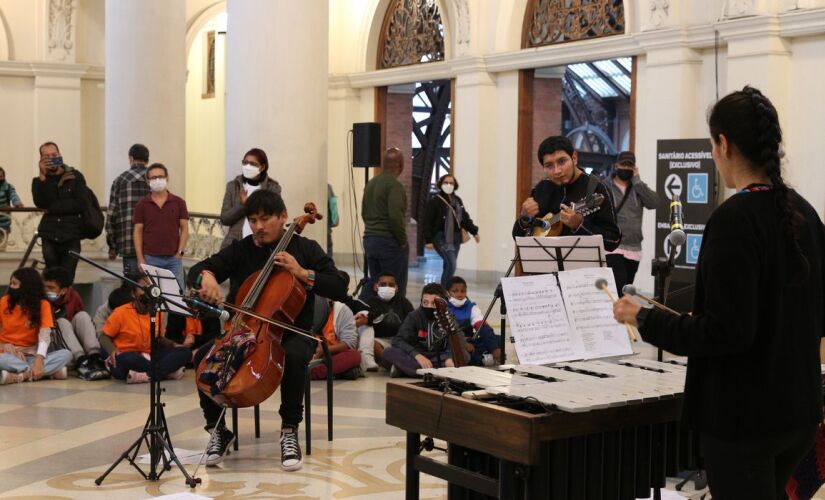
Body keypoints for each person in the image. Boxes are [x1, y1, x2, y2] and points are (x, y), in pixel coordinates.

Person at [612, 86, 825, 500]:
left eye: (712, 145)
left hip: (744, 421)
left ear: (723, 144)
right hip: (797, 412)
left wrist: (644, 317)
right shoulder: (808, 214)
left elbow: (723, 334)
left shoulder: (734, 220)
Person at [188, 189, 349, 471]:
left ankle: (289, 430)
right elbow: (201, 268)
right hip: (246, 330)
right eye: (253, 220)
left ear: (283, 217)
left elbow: (338, 284)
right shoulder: (242, 249)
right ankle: (218, 431)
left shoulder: (305, 249)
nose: (259, 227)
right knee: (203, 357)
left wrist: (302, 273)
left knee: (295, 355)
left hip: (294, 329)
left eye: (265, 219)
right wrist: (208, 277)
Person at [514, 135, 620, 253]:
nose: (557, 171)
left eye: (562, 161)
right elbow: (518, 238)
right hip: (543, 268)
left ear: (574, 158)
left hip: (581, 268)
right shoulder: (541, 188)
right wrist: (523, 218)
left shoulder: (597, 188)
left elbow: (613, 241)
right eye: (549, 166)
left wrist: (580, 225)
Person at [102, 274, 190, 384]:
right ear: (133, 294)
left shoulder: (157, 312)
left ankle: (147, 375)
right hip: (127, 356)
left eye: (150, 286)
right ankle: (166, 372)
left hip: (149, 356)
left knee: (185, 352)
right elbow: (103, 336)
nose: (148, 290)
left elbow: (158, 338)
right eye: (143, 287)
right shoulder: (120, 312)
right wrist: (112, 350)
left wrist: (173, 345)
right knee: (129, 358)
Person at [0, 268, 72, 384]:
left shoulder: (43, 304)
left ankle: (21, 375)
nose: (11, 287)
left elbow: (45, 334)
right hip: (8, 355)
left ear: (26, 287)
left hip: (31, 355)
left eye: (14, 284)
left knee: (66, 355)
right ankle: (45, 373)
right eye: (11, 283)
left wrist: (39, 359)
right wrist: (4, 346)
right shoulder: (4, 301)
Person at [31, 141, 89, 284]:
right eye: (47, 156)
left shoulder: (75, 176)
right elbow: (41, 203)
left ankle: (66, 305)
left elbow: (81, 204)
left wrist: (53, 208)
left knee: (67, 278)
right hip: (49, 234)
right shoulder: (38, 181)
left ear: (60, 155)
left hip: (71, 234)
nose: (51, 158)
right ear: (41, 160)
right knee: (51, 279)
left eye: (54, 155)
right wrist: (43, 177)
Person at [382, 283, 468, 378]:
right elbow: (398, 340)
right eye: (425, 302)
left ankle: (406, 370)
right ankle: (437, 372)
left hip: (440, 356)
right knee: (388, 352)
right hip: (417, 356)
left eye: (434, 303)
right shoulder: (414, 316)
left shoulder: (447, 317)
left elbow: (459, 340)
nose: (429, 307)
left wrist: (449, 357)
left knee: (465, 355)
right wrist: (417, 355)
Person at [604, 151, 659, 295]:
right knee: (617, 288)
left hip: (634, 248)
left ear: (634, 168)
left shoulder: (638, 188)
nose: (626, 168)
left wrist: (638, 181)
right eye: (623, 164)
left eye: (630, 165)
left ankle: (620, 316)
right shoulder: (604, 186)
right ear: (616, 165)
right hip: (612, 247)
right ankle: (614, 316)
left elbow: (654, 202)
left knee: (625, 290)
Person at [42, 267, 108, 380]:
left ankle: (95, 357)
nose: (46, 290)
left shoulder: (73, 296)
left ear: (63, 290)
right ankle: (81, 362)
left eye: (51, 288)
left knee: (82, 315)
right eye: (45, 287)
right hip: (55, 345)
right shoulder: (40, 300)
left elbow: (79, 324)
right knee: (62, 322)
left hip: (72, 342)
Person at [361, 147, 408, 299]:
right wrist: (402, 240)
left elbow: (364, 213)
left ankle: (368, 312)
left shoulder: (371, 184)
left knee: (376, 283)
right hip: (388, 242)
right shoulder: (394, 186)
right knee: (395, 285)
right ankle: (397, 318)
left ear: (383, 164)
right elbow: (395, 216)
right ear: (400, 164)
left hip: (369, 240)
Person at [134, 163, 190, 290]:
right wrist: (140, 258)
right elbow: (137, 232)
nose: (157, 180)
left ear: (167, 178)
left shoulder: (179, 202)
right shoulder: (142, 205)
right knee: (154, 296)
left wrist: (180, 252)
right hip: (151, 259)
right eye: (153, 178)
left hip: (173, 259)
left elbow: (185, 229)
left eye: (160, 176)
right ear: (148, 181)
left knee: (177, 295)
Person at [423, 174, 480, 288]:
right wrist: (428, 240)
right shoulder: (435, 201)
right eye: (446, 182)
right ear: (441, 184)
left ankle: (445, 290)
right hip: (441, 238)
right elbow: (427, 222)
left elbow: (464, 218)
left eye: (451, 183)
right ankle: (445, 290)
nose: (449, 185)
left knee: (448, 265)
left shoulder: (458, 200)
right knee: (452, 264)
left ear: (455, 185)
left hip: (456, 237)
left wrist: (474, 232)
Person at [348, 271, 413, 371]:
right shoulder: (370, 302)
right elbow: (369, 319)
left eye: (391, 285)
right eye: (383, 284)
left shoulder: (404, 303)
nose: (387, 287)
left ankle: (398, 365)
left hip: (398, 340)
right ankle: (392, 365)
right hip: (379, 340)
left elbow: (411, 322)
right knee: (374, 344)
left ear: (396, 288)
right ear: (376, 287)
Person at [220, 148, 282, 249]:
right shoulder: (233, 186)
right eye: (245, 163)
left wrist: (249, 205)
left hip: (263, 243)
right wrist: (242, 206)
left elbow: (274, 216)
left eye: (253, 164)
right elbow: (225, 219)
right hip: (235, 244)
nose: (248, 167)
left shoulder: (273, 187)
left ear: (262, 167)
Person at [106, 144, 151, 275]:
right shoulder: (154, 179)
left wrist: (112, 246)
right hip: (152, 246)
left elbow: (111, 216)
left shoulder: (120, 181)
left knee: (132, 288)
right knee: (153, 288)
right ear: (147, 160)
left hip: (128, 243)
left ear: (130, 158)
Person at [446, 276, 500, 366]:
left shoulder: (471, 307)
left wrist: (494, 347)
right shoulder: (443, 307)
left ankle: (485, 357)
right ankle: (480, 359)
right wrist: (463, 342)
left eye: (463, 291)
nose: (459, 294)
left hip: (470, 342)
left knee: (497, 339)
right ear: (447, 293)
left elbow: (482, 327)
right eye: (455, 291)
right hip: (451, 343)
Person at [310, 299, 361, 380]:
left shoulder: (343, 310)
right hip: (311, 356)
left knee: (355, 355)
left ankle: (310, 373)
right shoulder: (307, 308)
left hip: (333, 356)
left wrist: (324, 350)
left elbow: (349, 343)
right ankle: (341, 373)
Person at [0, 166, 24, 250]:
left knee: (1, 249)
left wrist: (17, 203)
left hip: (4, 223)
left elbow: (13, 196)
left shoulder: (8, 187)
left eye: (2, 176)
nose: (1, 178)